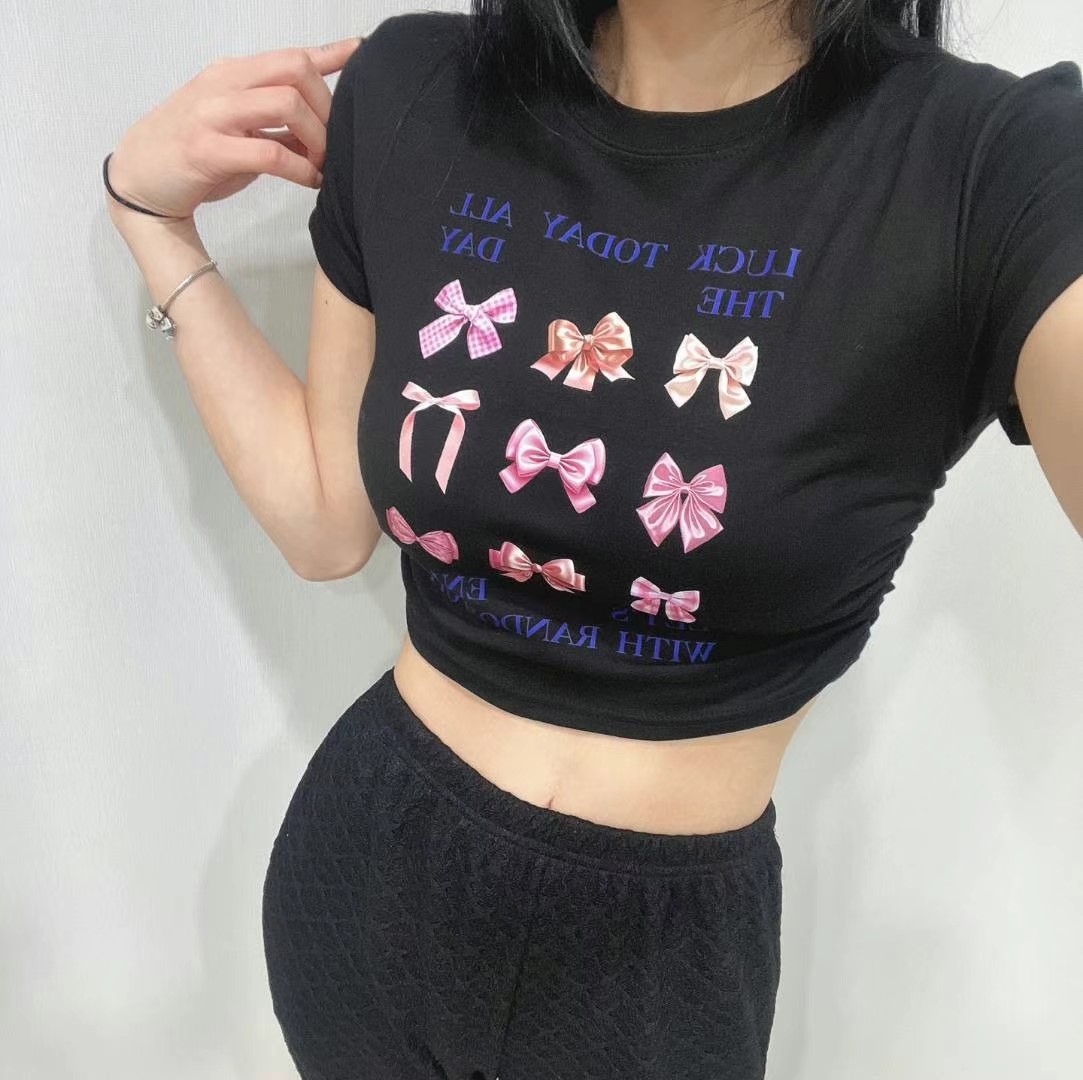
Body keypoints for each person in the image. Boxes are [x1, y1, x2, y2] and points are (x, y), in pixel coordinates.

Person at [103, 1, 1083, 1077]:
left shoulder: (992, 162)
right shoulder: (418, 84)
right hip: (361, 878)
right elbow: (328, 524)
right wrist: (153, 222)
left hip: (655, 972)